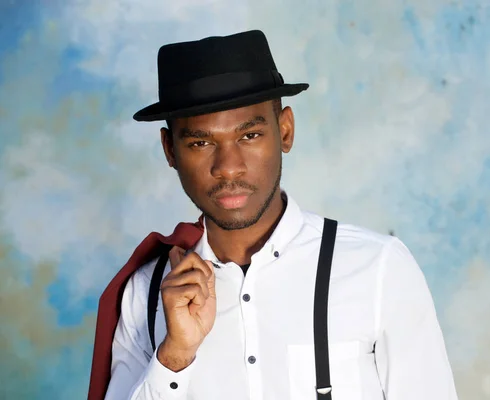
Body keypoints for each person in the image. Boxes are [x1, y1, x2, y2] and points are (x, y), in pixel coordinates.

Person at [87, 30, 458, 400]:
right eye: (201, 143)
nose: (228, 168)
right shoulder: (146, 294)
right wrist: (175, 356)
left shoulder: (378, 269)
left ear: (285, 131)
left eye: (249, 136)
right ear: (170, 151)